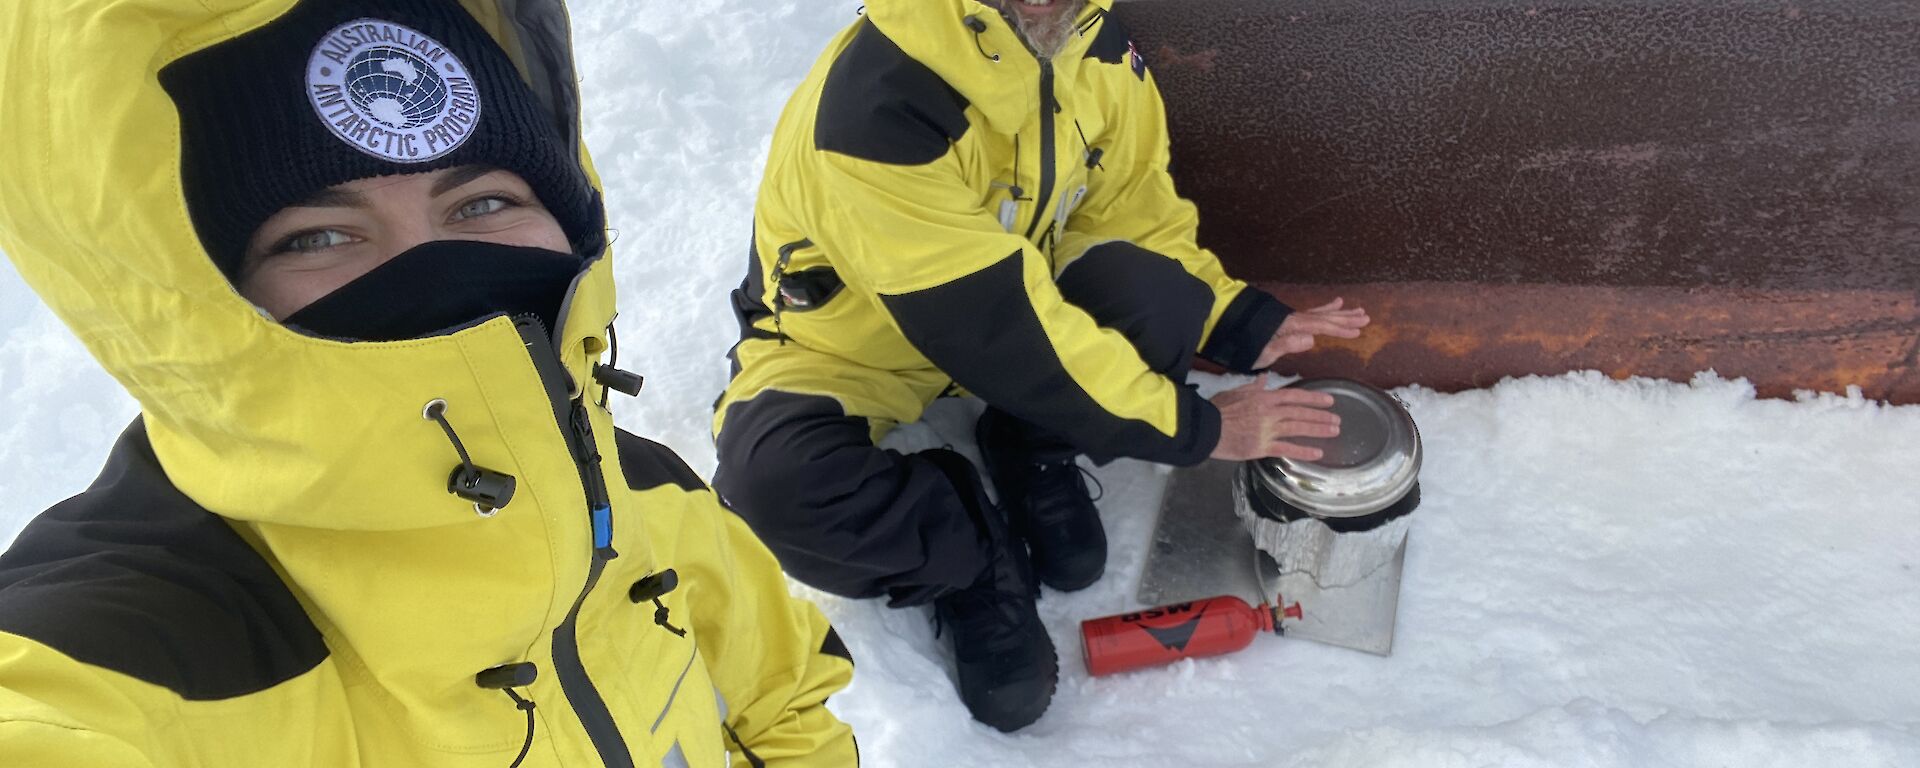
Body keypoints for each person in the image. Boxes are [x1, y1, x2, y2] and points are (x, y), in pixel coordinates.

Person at [0, 1, 858, 766]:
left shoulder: (645, 491)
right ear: (194, 298)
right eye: (316, 236)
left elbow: (784, 705)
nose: (431, 264)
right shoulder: (134, 657)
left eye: (481, 204)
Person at [710, 0, 1371, 732]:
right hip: (849, 349)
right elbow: (994, 325)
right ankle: (965, 551)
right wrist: (1199, 427)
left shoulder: (1096, 47)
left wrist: (1233, 317)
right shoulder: (878, 106)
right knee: (773, 485)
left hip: (1010, 307)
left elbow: (1128, 212)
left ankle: (1030, 444)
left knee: (1163, 297)